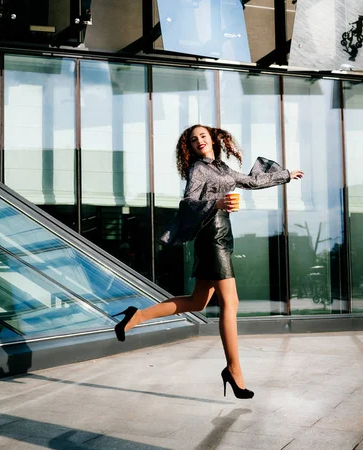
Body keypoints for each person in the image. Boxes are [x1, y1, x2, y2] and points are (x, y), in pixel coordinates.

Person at [112, 124, 304, 399]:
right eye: (193, 140)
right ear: (189, 147)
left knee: (198, 301)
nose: (199, 141)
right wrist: (216, 204)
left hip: (221, 234)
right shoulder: (198, 169)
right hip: (212, 234)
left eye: (202, 136)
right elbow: (188, 202)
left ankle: (137, 315)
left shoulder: (223, 169)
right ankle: (234, 370)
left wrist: (287, 175)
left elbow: (251, 181)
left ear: (213, 139)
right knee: (231, 303)